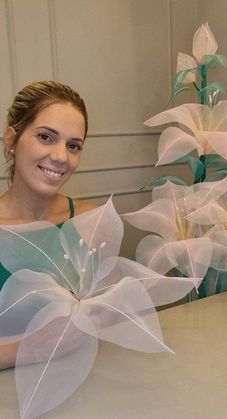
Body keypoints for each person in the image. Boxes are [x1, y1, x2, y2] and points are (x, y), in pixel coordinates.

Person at [0, 80, 97, 369]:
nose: (60, 156)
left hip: (87, 387)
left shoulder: (90, 221)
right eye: (45, 137)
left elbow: (102, 317)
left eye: (73, 145)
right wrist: (25, 350)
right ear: (11, 140)